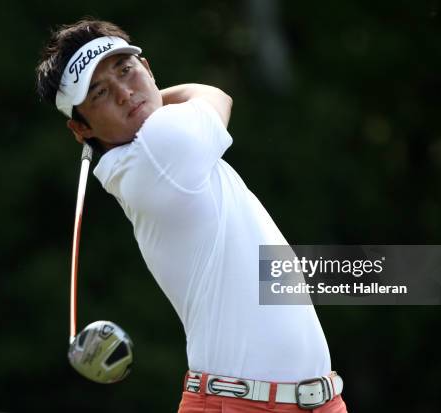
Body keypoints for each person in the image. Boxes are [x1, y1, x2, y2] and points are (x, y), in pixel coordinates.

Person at [35, 18, 348, 413]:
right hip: (242, 405)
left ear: (145, 68)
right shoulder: (161, 149)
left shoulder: (152, 153)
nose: (124, 93)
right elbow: (215, 94)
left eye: (126, 71)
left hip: (315, 402)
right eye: (99, 93)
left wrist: (144, 100)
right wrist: (153, 98)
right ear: (80, 129)